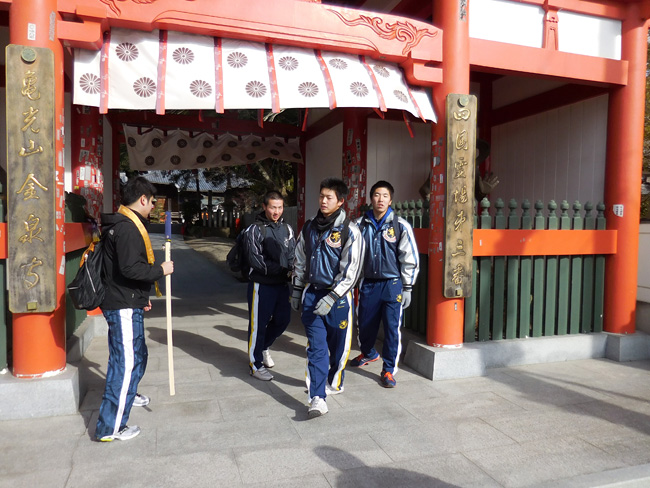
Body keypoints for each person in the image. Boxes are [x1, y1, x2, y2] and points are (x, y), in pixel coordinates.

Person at [94, 177, 174, 442]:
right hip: (122, 305)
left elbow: (120, 271)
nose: (152, 207)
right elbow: (130, 269)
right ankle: (111, 427)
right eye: (152, 202)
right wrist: (160, 270)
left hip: (128, 300)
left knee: (136, 356)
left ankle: (128, 395)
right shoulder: (127, 228)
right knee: (125, 363)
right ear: (142, 199)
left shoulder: (124, 224)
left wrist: (141, 297)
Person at [291, 178, 364, 418]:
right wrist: (296, 290)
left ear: (340, 201)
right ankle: (317, 397)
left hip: (338, 299)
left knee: (339, 347)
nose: (323, 201)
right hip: (313, 295)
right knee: (317, 347)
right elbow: (300, 259)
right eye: (321, 196)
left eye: (329, 197)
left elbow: (351, 271)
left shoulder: (349, 231)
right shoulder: (309, 228)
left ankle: (335, 380)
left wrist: (333, 297)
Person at [351, 180, 419, 388]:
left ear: (390, 200)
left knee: (391, 328)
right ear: (371, 198)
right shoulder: (359, 225)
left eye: (385, 196)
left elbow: (409, 257)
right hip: (368, 284)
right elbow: (350, 256)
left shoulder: (400, 225)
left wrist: (407, 287)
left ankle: (389, 369)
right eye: (377, 195)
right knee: (364, 324)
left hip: (392, 284)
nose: (380, 199)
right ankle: (368, 353)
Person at [242, 190, 296, 381]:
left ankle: (263, 347)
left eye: (280, 207)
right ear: (264, 206)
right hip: (261, 285)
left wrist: (293, 268)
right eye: (273, 207)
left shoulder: (287, 228)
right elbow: (257, 261)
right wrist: (284, 269)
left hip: (281, 285)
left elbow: (293, 253)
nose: (276, 211)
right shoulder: (254, 230)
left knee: (283, 320)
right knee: (258, 325)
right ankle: (255, 365)